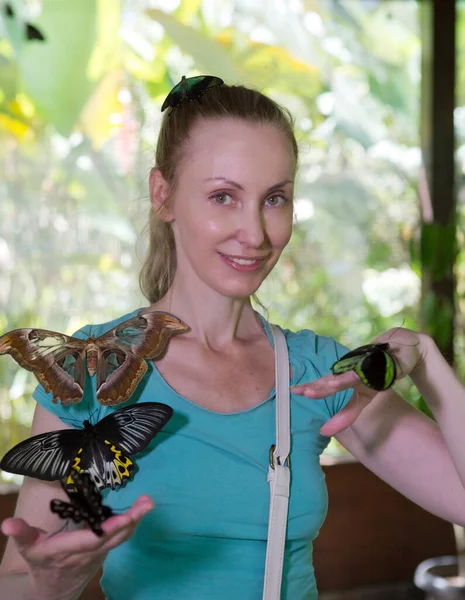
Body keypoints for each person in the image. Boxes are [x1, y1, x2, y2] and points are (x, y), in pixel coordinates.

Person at [1, 77, 465, 600]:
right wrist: (52, 581)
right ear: (163, 194)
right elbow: (16, 582)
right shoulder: (89, 370)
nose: (256, 233)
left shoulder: (317, 374)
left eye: (274, 199)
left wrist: (424, 358)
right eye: (223, 196)